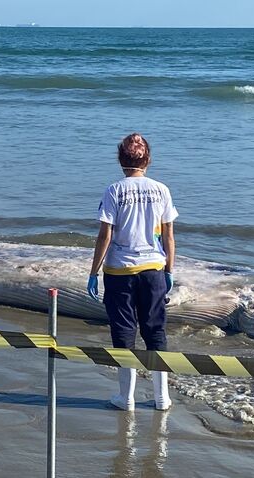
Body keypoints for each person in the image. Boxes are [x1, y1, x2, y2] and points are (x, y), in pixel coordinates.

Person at [87, 133, 177, 412]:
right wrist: (169, 270)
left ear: (120, 160)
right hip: (153, 269)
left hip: (120, 271)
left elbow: (105, 235)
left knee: (124, 332)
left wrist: (94, 271)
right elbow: (169, 236)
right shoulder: (161, 189)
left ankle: (126, 398)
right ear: (148, 159)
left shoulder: (114, 190)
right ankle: (162, 397)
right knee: (155, 331)